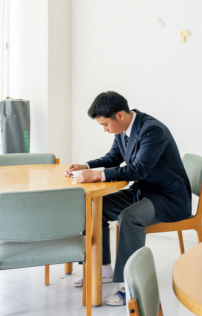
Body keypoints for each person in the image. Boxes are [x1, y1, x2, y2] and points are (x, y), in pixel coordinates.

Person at [66, 91, 191, 306]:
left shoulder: (152, 130)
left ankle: (130, 285)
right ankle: (104, 268)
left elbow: (139, 169)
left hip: (169, 197)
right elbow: (114, 157)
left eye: (105, 124)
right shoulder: (123, 129)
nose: (105, 130)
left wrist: (98, 175)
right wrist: (87, 166)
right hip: (145, 191)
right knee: (95, 208)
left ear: (120, 115)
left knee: (129, 218)